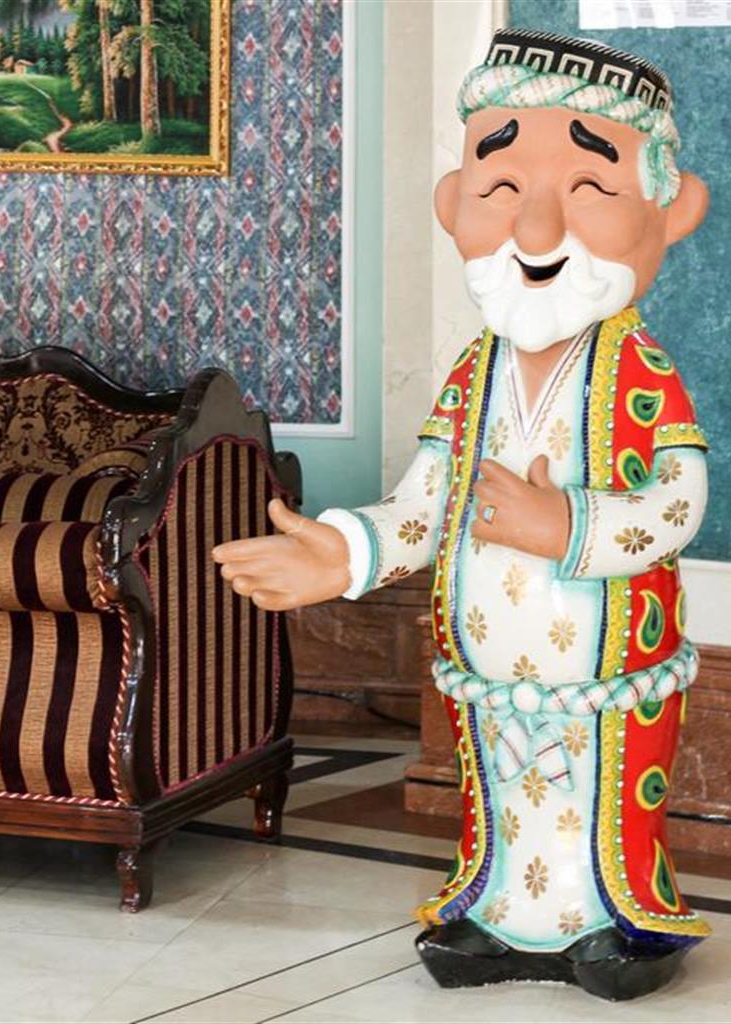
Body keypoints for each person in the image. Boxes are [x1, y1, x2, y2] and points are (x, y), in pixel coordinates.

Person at [213, 29, 710, 1001]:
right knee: (506, 794)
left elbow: (678, 499)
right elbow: (425, 500)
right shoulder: (471, 376)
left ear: (670, 209)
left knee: (597, 804)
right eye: (499, 188)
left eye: (588, 189)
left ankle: (613, 922)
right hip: (490, 674)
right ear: (452, 206)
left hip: (606, 678)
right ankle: (503, 916)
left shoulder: (638, 373)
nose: (536, 230)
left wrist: (564, 528)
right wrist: (346, 553)